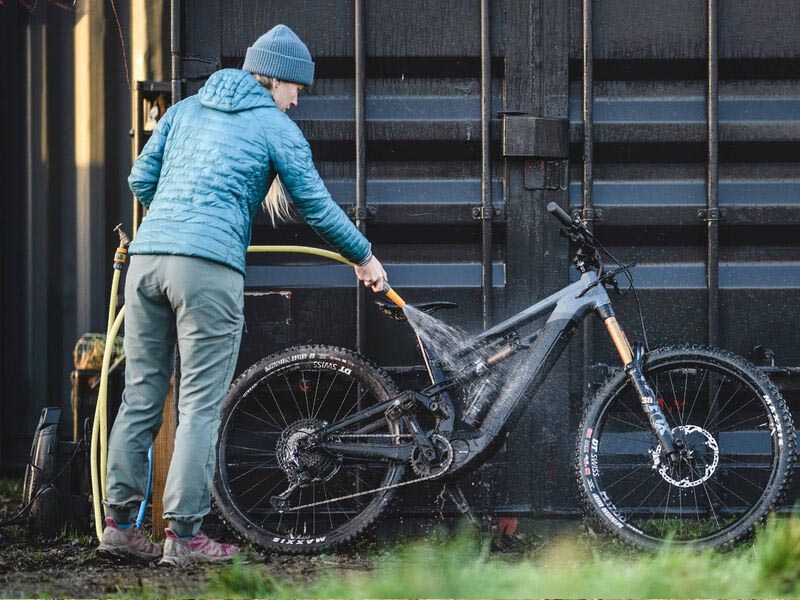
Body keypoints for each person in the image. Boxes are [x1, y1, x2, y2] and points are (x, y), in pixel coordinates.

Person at [97, 24, 387, 565]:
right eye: (296, 88)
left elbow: (141, 179)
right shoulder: (273, 127)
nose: (298, 100)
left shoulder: (184, 110)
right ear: (274, 79)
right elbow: (318, 208)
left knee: (139, 394)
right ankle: (183, 537)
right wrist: (365, 257)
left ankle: (118, 526)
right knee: (200, 404)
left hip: (147, 260)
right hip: (206, 271)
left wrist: (180, 212)